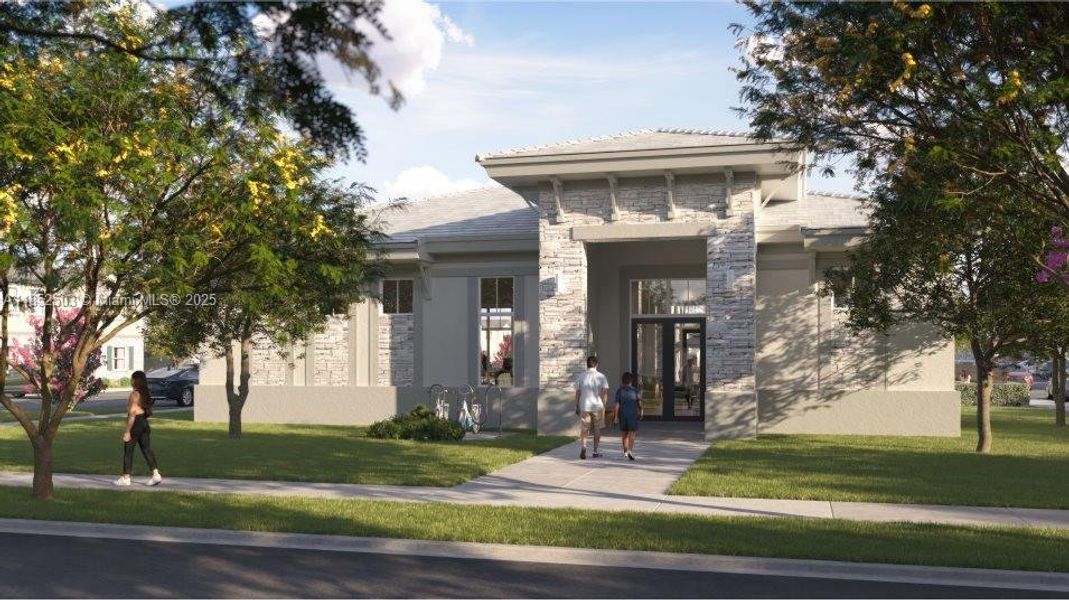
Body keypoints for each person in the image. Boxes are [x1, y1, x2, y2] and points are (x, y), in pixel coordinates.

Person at [115, 370, 162, 487]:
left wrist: (127, 431)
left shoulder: (134, 394)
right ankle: (156, 474)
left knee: (128, 450)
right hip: (144, 423)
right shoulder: (146, 393)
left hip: (136, 423)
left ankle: (126, 477)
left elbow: (132, 413)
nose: (131, 381)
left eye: (132, 379)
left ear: (136, 380)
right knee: (146, 449)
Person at [574, 355, 609, 459]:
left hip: (584, 405)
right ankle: (595, 451)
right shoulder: (601, 376)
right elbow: (604, 392)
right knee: (597, 429)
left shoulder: (581, 376)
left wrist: (576, 405)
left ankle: (584, 446)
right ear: (596, 365)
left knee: (584, 428)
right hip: (597, 405)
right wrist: (604, 405)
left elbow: (578, 392)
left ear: (587, 365)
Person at [614, 372, 643, 461]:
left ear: (623, 381)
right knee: (632, 433)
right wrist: (641, 411)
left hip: (623, 415)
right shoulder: (635, 391)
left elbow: (617, 405)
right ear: (631, 381)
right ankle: (630, 450)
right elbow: (639, 402)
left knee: (624, 434)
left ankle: (625, 451)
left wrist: (615, 416)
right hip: (632, 415)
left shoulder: (619, 390)